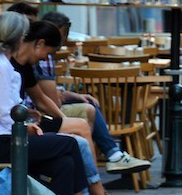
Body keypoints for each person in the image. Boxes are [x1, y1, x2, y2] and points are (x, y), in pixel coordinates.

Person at [0, 12, 131, 195]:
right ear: (18, 37)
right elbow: (6, 113)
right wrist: (28, 127)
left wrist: (28, 118)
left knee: (63, 162)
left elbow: (9, 109)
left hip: (6, 137)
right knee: (70, 143)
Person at [37, 10, 151, 177]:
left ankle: (103, 166)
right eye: (63, 35)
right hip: (41, 115)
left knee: (88, 104)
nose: (64, 41)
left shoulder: (43, 54)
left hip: (41, 111)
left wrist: (70, 95)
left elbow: (48, 93)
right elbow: (52, 101)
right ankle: (100, 170)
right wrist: (59, 97)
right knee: (88, 110)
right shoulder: (44, 56)